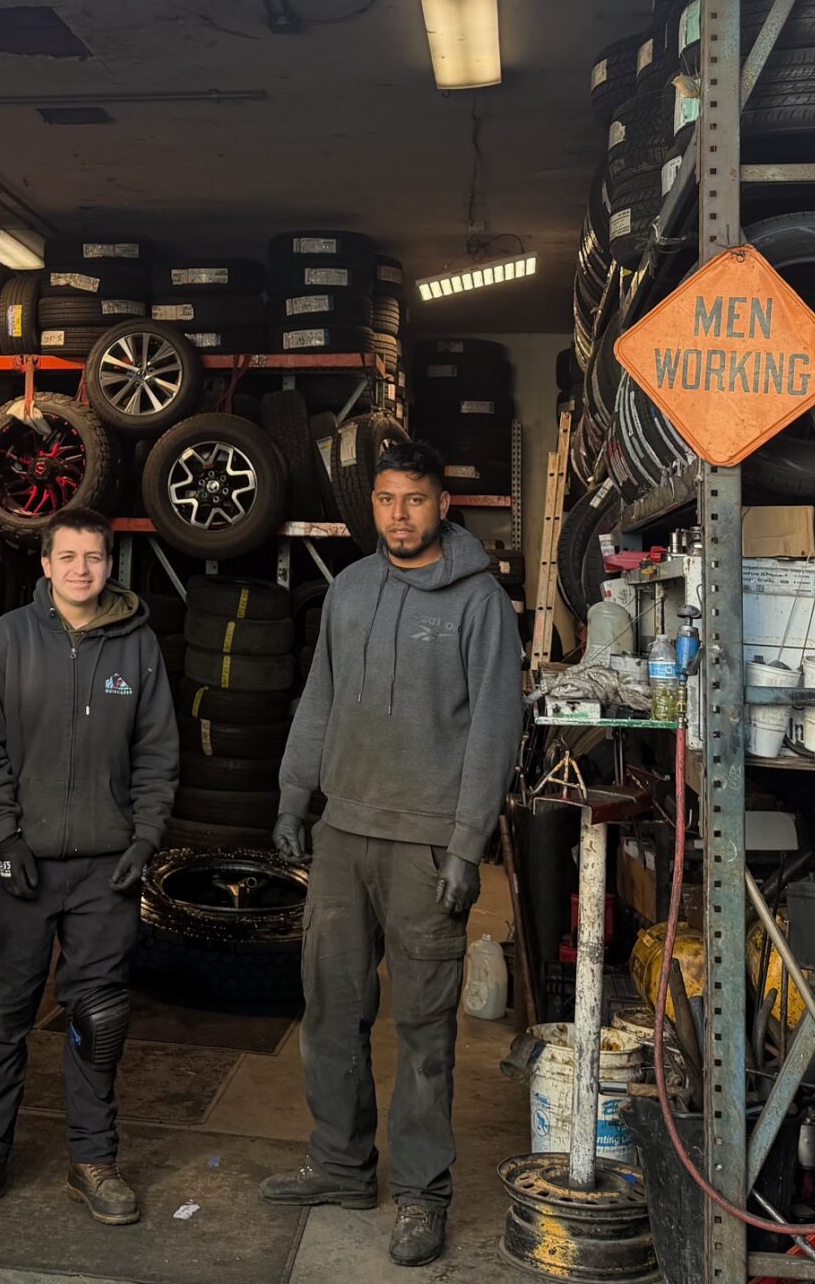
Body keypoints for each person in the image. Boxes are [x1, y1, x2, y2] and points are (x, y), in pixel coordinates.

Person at [259, 439, 523, 1267]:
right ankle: (340, 1165)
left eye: (414, 499)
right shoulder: (352, 589)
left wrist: (465, 846)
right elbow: (320, 699)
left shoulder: (480, 603)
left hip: (425, 846)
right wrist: (293, 795)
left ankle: (421, 1194)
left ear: (443, 503)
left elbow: (494, 730)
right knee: (331, 1009)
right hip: (343, 835)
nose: (399, 515)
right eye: (385, 499)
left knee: (424, 1029)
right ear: (370, 504)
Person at [0, 507, 179, 1229]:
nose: (80, 569)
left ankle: (93, 1161)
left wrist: (144, 838)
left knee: (99, 1019)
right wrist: (4, 837)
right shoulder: (8, 640)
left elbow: (159, 754)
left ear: (110, 565)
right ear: (45, 564)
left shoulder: (138, 648)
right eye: (66, 556)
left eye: (93, 557)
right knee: (4, 1014)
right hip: (20, 869)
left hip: (106, 872)